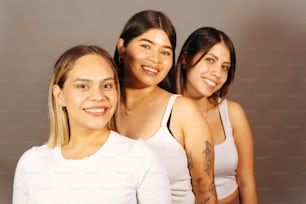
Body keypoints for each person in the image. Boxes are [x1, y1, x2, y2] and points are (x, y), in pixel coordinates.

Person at [12, 45, 172, 204]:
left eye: (107, 86)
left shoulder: (140, 158)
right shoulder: (31, 163)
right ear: (59, 95)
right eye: (83, 86)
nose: (98, 96)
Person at [114, 10, 217, 204]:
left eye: (165, 52)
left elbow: (206, 195)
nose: (156, 59)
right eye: (146, 46)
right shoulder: (102, 107)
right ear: (122, 47)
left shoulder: (182, 111)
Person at [171, 26, 259, 203]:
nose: (217, 73)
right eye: (210, 60)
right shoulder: (164, 111)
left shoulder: (233, 113)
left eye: (225, 67)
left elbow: (246, 182)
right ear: (186, 59)